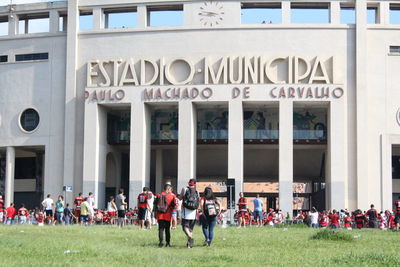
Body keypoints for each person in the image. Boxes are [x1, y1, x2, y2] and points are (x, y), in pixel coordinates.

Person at [179, 179, 200, 248]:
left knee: (184, 227)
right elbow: (198, 201)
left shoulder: (184, 189)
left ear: (189, 183)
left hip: (186, 211)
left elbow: (180, 198)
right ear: (195, 184)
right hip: (194, 212)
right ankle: (189, 244)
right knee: (190, 228)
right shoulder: (197, 191)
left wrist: (180, 197)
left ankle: (190, 238)